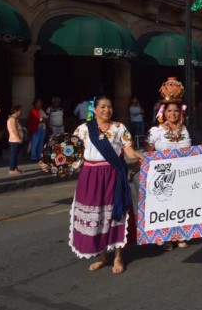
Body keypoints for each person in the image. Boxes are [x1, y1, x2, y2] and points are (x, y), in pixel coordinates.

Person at [54, 95, 142, 274]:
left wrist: (141, 156)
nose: (106, 110)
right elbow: (71, 154)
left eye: (109, 107)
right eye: (102, 107)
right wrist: (52, 162)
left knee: (115, 215)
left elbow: (129, 151)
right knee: (98, 216)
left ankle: (118, 256)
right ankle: (102, 257)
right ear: (94, 110)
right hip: (90, 176)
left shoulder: (119, 128)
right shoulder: (83, 129)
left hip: (113, 175)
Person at [145, 80, 192, 250]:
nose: (173, 114)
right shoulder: (155, 131)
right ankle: (166, 236)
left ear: (181, 112)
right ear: (163, 113)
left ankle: (180, 234)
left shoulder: (186, 129)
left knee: (181, 205)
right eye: (169, 111)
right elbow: (147, 154)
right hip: (162, 177)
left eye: (176, 111)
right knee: (165, 206)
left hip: (183, 175)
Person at [6, 105, 24, 175]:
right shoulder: (12, 119)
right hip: (14, 140)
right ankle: (12, 169)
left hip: (15, 140)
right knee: (13, 155)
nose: (21, 112)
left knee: (16, 155)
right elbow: (14, 130)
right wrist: (18, 138)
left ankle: (15, 168)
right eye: (19, 110)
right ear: (16, 111)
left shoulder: (15, 119)